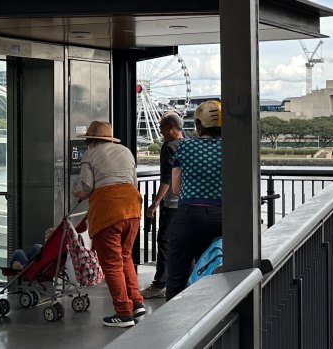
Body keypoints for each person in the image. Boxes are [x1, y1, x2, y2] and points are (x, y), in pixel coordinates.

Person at [72, 120, 145, 328]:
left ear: (92, 140)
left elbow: (86, 185)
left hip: (108, 212)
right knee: (125, 257)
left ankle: (123, 313)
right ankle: (137, 302)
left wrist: (77, 191)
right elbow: (133, 181)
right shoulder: (126, 151)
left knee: (112, 264)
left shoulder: (91, 155)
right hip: (132, 208)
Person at [165, 100, 223, 302]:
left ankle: (171, 325)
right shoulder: (230, 148)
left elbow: (175, 188)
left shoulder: (186, 146)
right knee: (215, 271)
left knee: (177, 275)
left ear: (199, 125)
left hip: (188, 217)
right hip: (221, 218)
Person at [141, 111, 184, 299]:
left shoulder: (169, 147)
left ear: (171, 128)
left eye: (162, 129)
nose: (160, 133)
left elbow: (167, 178)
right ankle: (183, 281)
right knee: (184, 244)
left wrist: (155, 203)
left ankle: (160, 284)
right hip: (186, 203)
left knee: (164, 243)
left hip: (172, 204)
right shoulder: (189, 143)